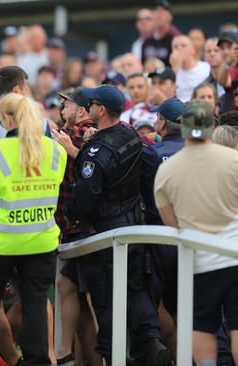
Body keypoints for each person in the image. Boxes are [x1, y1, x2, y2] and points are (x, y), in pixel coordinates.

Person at [65, 85, 171, 365]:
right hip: (135, 226)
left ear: (101, 110)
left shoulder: (97, 149)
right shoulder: (130, 135)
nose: (88, 108)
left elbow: (86, 196)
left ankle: (113, 355)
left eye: (92, 104)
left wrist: (69, 215)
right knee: (135, 288)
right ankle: (150, 341)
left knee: (107, 298)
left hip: (106, 234)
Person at [0, 93, 66, 365]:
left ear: (9, 119)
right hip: (41, 241)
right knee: (34, 303)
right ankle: (38, 360)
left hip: (0, 241)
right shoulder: (55, 150)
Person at [154, 101, 238, 366]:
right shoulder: (234, 160)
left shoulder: (166, 170)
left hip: (200, 262)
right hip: (235, 254)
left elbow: (171, 223)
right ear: (212, 128)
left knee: (202, 326)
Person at [50, 88, 101, 366]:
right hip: (74, 226)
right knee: (73, 293)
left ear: (82, 110)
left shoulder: (84, 132)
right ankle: (71, 356)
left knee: (87, 297)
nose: (61, 108)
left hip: (82, 226)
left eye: (66, 104)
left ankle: (65, 354)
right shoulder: (70, 132)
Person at [171, 35, 211, 102]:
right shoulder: (172, 72)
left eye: (183, 46)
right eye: (175, 47)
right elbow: (170, 99)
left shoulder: (206, 67)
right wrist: (175, 70)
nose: (179, 49)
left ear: (193, 50)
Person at [142, 0, 180, 66]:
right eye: (155, 11)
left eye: (162, 11)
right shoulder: (147, 40)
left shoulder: (176, 38)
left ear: (170, 16)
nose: (159, 15)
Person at [152, 98, 186, 162]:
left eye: (157, 116)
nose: (156, 121)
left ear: (162, 123)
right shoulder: (197, 148)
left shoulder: (154, 152)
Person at [205, 38, 233, 113]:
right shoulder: (205, 84)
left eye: (216, 50)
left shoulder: (234, 76)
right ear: (205, 57)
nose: (212, 54)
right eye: (208, 51)